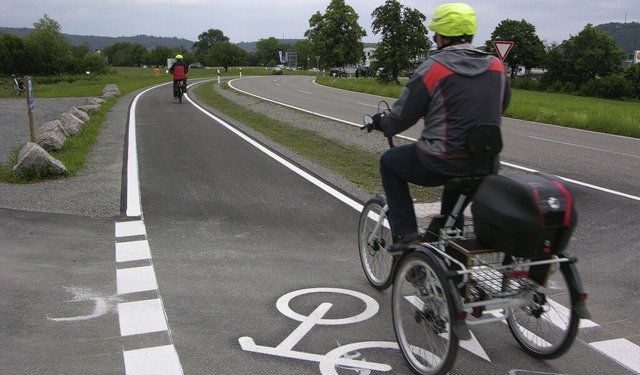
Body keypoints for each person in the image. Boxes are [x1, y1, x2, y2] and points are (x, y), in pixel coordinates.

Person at [368, 2, 511, 249]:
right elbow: (501, 104)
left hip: (441, 162)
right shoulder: (497, 67)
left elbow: (404, 116)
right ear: (470, 33)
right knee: (450, 215)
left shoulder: (433, 68)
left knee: (389, 162)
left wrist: (384, 124)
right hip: (484, 164)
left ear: (441, 36)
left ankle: (408, 237)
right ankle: (449, 264)